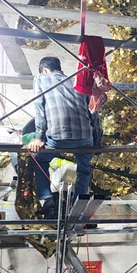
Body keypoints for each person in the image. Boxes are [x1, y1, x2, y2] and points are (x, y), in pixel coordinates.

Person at [27, 57, 96, 218]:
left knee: (39, 160)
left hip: (59, 137)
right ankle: (77, 205)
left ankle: (47, 199)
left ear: (44, 70)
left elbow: (39, 109)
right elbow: (94, 112)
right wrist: (97, 140)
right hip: (85, 136)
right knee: (84, 170)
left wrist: (39, 138)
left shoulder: (41, 79)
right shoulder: (77, 80)